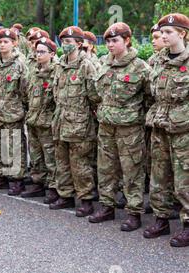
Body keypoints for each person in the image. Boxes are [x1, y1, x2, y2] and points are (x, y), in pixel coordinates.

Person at [89, 22, 151, 231]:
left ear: (126, 40)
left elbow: (150, 97)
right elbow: (97, 94)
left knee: (131, 170)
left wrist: (138, 116)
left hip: (129, 129)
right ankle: (107, 206)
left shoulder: (140, 66)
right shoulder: (103, 64)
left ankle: (134, 212)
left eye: (115, 40)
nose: (110, 45)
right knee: (105, 168)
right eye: (107, 41)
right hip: (106, 126)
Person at [144, 13, 189, 247]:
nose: (163, 35)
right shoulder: (157, 60)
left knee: (184, 179)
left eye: (169, 32)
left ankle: (188, 225)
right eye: (162, 32)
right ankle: (161, 219)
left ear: (182, 33)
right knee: (158, 176)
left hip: (183, 129)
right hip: (160, 124)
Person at [50, 26, 100, 216]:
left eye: (69, 43)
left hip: (80, 123)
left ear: (79, 44)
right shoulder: (60, 65)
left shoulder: (86, 65)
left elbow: (95, 96)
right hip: (61, 121)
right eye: (63, 42)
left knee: (80, 164)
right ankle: (65, 195)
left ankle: (86, 199)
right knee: (62, 161)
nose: (65, 46)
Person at [0, 28, 29, 195]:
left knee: (14, 146)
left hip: (12, 112)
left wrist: (20, 108)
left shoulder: (19, 65)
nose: (2, 45)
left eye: (6, 42)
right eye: (0, 42)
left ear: (14, 43)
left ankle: (17, 179)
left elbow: (25, 91)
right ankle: (0, 175)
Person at [22, 37, 58, 202]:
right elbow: (26, 95)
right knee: (36, 155)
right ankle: (38, 183)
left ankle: (53, 187)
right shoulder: (34, 72)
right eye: (37, 51)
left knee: (50, 157)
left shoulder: (56, 72)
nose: (38, 55)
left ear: (51, 54)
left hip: (48, 121)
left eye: (42, 52)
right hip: (34, 120)